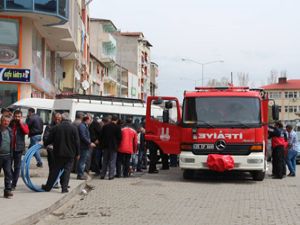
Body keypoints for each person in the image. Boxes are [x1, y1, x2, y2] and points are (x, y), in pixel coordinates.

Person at [42, 113, 80, 193]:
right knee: (67, 171)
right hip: (70, 154)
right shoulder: (74, 128)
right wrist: (78, 153)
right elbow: (77, 142)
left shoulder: (56, 127)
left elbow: (49, 139)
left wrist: (45, 144)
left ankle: (48, 187)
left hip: (58, 153)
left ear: (62, 119)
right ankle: (64, 188)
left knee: (55, 171)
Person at [9, 110, 29, 190]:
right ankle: (13, 177)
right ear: (13, 116)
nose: (17, 118)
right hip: (10, 148)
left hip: (19, 149)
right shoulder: (10, 124)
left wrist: (21, 123)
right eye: (16, 116)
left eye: (18, 116)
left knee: (17, 167)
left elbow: (26, 132)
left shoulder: (23, 124)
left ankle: (13, 184)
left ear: (21, 117)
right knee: (7, 166)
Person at [43, 112, 62, 187]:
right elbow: (45, 138)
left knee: (59, 167)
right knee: (52, 167)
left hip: (60, 151)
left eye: (59, 119)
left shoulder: (62, 127)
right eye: (56, 119)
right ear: (54, 118)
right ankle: (54, 182)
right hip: (51, 150)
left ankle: (60, 182)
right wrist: (50, 145)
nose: (57, 121)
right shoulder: (49, 127)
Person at [100, 115, 122, 180]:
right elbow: (120, 138)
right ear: (117, 120)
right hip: (114, 147)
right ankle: (111, 175)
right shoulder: (117, 127)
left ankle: (102, 175)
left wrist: (102, 144)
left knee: (105, 161)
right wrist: (117, 145)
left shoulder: (105, 126)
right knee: (112, 161)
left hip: (105, 146)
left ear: (111, 119)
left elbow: (101, 136)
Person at [77, 114, 96, 180]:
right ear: (87, 120)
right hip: (83, 146)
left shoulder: (84, 125)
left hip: (85, 146)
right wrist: (90, 143)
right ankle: (80, 174)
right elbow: (83, 136)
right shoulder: (82, 126)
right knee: (82, 161)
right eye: (90, 120)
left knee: (83, 161)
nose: (91, 121)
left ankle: (81, 174)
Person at [0, 115, 13, 198]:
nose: (6, 123)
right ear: (1, 121)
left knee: (8, 174)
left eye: (8, 121)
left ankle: (7, 191)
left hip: (7, 156)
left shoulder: (9, 130)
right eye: (5, 121)